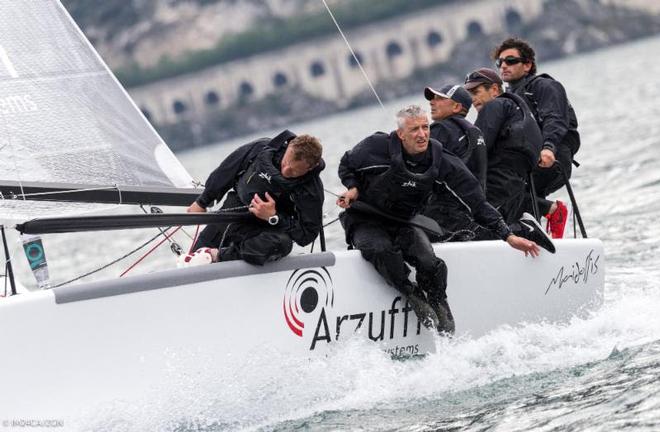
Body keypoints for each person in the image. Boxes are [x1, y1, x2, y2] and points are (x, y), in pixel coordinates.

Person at [336, 105, 543, 335]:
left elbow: (477, 202)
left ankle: (438, 302)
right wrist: (353, 188)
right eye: (414, 129)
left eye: (425, 127)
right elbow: (347, 164)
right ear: (400, 134)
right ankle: (411, 294)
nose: (422, 134)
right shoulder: (374, 148)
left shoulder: (442, 160)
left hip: (404, 221)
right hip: (365, 219)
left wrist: (508, 235)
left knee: (428, 261)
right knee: (381, 250)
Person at [186, 130, 324, 265]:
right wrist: (202, 202)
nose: (285, 171)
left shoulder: (311, 190)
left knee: (283, 244)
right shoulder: (260, 148)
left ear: (310, 168)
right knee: (191, 261)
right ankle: (211, 255)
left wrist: (273, 217)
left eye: (294, 171)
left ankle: (219, 255)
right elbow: (226, 171)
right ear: (288, 147)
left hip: (262, 234)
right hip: (231, 217)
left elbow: (307, 235)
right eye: (285, 162)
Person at [493, 37, 581, 238]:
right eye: (500, 62)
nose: (503, 66)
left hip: (553, 157)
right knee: (497, 196)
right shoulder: (506, 98)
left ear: (527, 65)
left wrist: (548, 147)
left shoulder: (544, 86)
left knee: (506, 194)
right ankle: (530, 238)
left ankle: (552, 211)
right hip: (525, 164)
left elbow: (555, 118)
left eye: (510, 61)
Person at [463, 67, 555, 252]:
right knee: (487, 229)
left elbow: (477, 150)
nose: (472, 99)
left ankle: (523, 230)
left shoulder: (494, 106)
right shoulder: (518, 109)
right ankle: (520, 227)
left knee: (467, 228)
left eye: (476, 92)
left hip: (498, 185)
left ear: (495, 90)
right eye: (468, 94)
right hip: (513, 188)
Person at [423, 84, 487, 240]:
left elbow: (420, 166)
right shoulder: (473, 131)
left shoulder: (440, 129)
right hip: (472, 208)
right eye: (432, 98)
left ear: (457, 107)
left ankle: (520, 230)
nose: (432, 102)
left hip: (447, 212)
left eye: (439, 98)